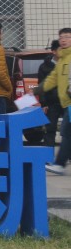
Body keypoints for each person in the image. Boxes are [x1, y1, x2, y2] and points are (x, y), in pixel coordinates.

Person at [43, 28, 71, 174]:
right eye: (61, 37)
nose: (63, 40)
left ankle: (59, 164)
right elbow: (53, 78)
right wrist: (37, 90)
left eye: (67, 37)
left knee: (66, 132)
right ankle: (59, 164)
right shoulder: (63, 58)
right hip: (67, 103)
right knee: (67, 132)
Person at [35, 39, 63, 147]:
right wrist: (44, 104)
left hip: (66, 101)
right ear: (54, 51)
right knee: (50, 128)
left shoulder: (67, 63)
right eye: (61, 49)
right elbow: (42, 85)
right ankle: (48, 153)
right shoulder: (45, 66)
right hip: (52, 102)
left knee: (67, 129)